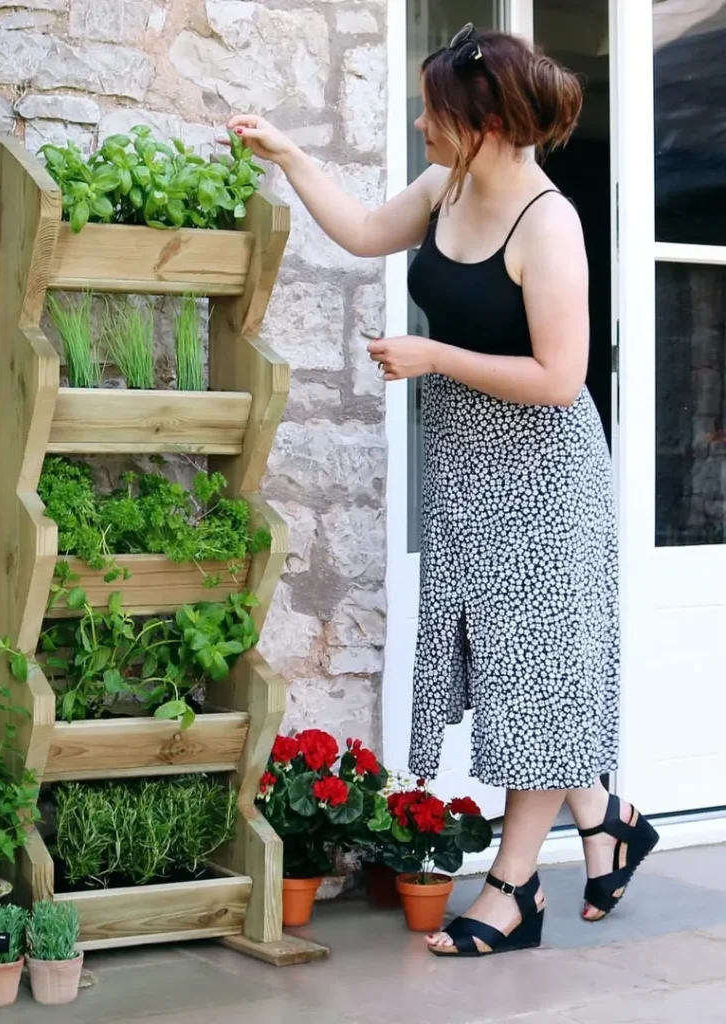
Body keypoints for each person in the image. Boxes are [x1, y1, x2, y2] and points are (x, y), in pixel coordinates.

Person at [227, 24, 659, 957]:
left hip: (544, 474)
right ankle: (605, 817)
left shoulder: (548, 222)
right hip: (470, 469)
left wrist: (431, 359)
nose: (422, 126)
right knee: (510, 667)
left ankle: (511, 891)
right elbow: (358, 231)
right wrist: (292, 152)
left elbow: (559, 375)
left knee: (533, 680)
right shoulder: (445, 187)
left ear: (489, 121)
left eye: (436, 113)